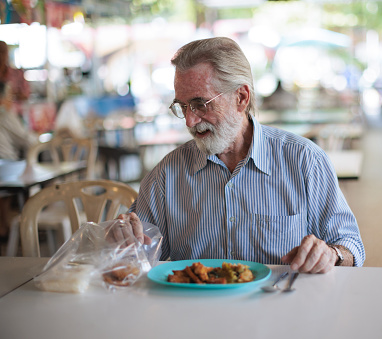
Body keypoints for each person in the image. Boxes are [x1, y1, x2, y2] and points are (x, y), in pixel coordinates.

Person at [122, 37, 365, 273]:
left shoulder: (304, 161)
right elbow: (139, 252)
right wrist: (121, 240)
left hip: (280, 307)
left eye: (200, 104)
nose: (189, 120)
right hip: (195, 309)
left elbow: (351, 247)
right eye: (183, 106)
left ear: (241, 97)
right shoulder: (168, 173)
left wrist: (332, 254)